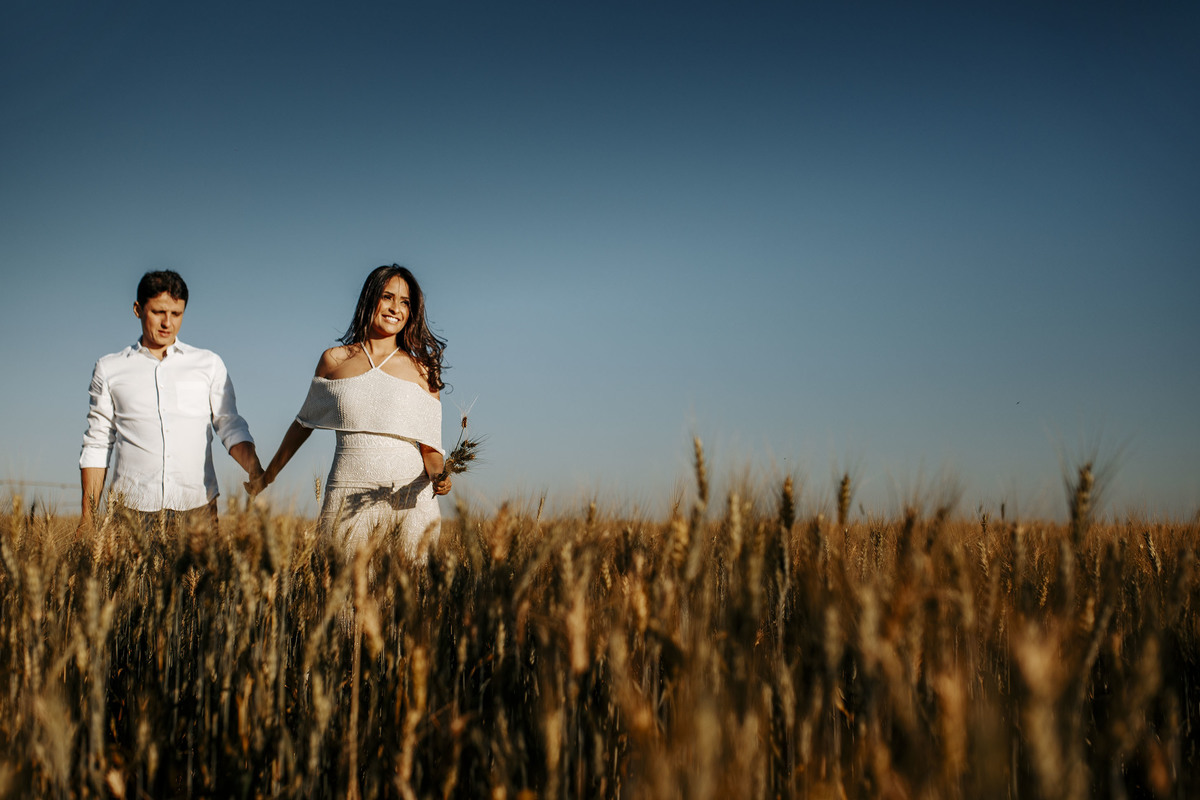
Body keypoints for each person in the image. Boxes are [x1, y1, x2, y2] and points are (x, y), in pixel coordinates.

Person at [251, 264, 451, 558]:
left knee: (408, 599)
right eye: (387, 297)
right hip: (345, 494)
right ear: (370, 299)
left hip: (410, 501)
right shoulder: (334, 361)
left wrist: (439, 476)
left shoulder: (423, 370)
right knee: (343, 595)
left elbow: (431, 449)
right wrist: (267, 475)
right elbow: (302, 424)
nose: (396, 308)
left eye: (405, 302)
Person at [79, 270, 264, 534]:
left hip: (197, 507)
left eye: (176, 314)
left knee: (198, 578)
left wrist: (254, 467)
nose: (168, 323)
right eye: (158, 312)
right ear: (137, 309)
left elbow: (229, 424)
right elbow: (98, 441)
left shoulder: (208, 363)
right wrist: (88, 517)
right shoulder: (110, 368)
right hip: (130, 511)